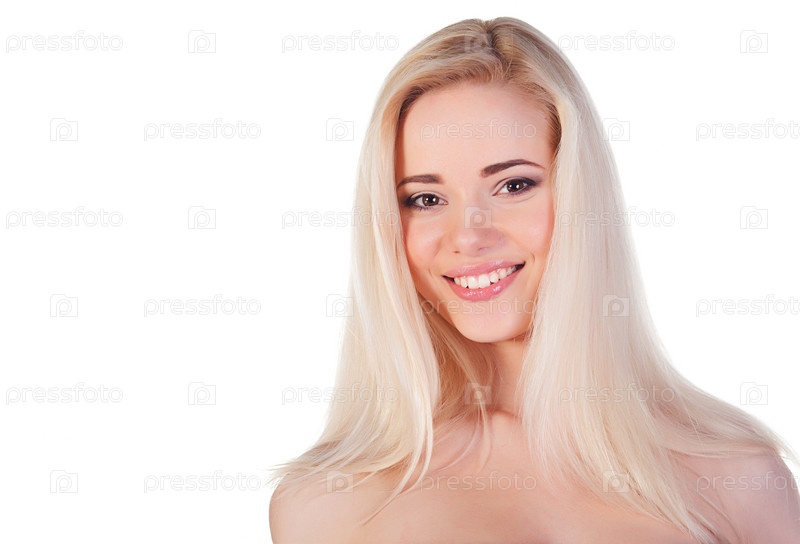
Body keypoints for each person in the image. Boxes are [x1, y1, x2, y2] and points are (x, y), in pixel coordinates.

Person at [269, 17, 800, 543]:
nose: (469, 235)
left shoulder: (737, 474)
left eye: (513, 185)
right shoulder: (324, 502)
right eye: (426, 199)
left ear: (580, 192)